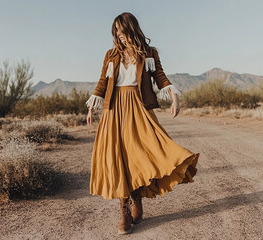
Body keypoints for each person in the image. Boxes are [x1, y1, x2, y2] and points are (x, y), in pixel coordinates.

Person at [85, 12, 200, 235]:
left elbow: (160, 76)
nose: (119, 36)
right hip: (114, 110)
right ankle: (124, 210)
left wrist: (174, 96)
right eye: (116, 32)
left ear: (132, 29)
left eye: (122, 31)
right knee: (118, 158)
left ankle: (137, 196)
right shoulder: (110, 55)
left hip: (138, 108)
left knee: (140, 154)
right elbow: (102, 82)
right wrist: (91, 107)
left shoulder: (149, 53)